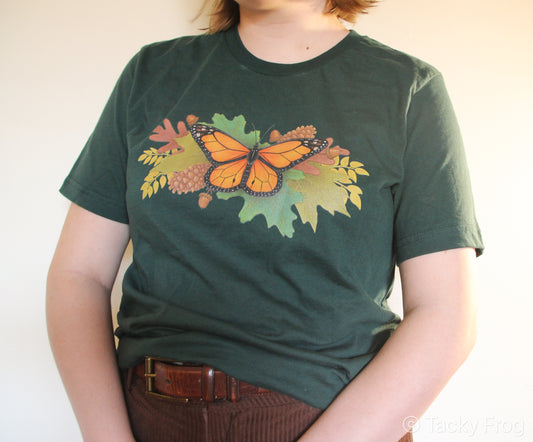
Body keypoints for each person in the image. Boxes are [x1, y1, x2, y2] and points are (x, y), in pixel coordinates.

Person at [46, 0, 484, 441]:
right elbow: (79, 275)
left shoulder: (406, 88)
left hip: (329, 420)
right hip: (147, 415)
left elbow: (445, 314)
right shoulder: (152, 73)